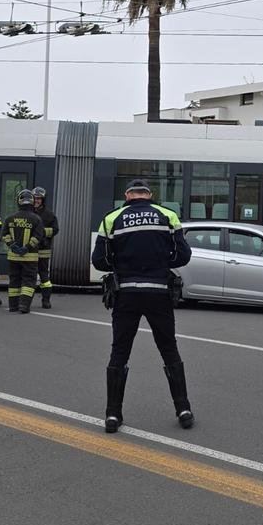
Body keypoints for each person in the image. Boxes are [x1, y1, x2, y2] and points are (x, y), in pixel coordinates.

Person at [91, 178, 193, 434]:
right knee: (169, 349)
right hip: (159, 291)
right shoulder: (168, 215)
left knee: (120, 351)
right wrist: (161, 261)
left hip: (126, 293)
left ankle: (112, 414)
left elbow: (100, 262)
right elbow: (183, 256)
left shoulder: (111, 218)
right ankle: (183, 409)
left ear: (127, 195)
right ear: (150, 195)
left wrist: (121, 262)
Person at [2, 189, 44, 314]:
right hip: (29, 258)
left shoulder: (10, 218)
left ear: (18, 202)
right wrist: (26, 248)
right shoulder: (36, 219)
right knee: (28, 281)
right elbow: (37, 237)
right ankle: (24, 305)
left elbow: (4, 234)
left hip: (13, 257)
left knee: (14, 281)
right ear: (31, 202)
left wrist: (13, 246)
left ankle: (13, 306)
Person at [32, 186, 59, 309]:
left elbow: (55, 230)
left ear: (43, 200)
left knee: (44, 277)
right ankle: (26, 301)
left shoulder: (49, 215)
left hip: (43, 250)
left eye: (39, 199)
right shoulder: (27, 212)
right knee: (29, 276)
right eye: (35, 198)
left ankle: (46, 300)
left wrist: (41, 232)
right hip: (30, 250)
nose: (36, 200)